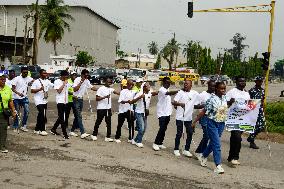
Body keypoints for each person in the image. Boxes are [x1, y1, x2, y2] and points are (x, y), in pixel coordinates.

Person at [196, 82, 228, 174]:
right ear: (216, 89)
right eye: (221, 89)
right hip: (212, 123)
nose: (223, 90)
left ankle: (203, 156)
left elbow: (225, 107)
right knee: (217, 144)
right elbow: (204, 111)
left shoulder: (224, 97)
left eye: (224, 88)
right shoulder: (211, 99)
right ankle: (218, 165)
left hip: (221, 123)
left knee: (213, 142)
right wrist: (195, 121)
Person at [172, 80, 202, 157]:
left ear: (191, 85)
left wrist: (204, 106)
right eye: (184, 83)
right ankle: (176, 149)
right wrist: (179, 104)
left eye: (187, 84)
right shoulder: (180, 92)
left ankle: (186, 150)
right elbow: (174, 102)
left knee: (190, 133)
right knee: (179, 133)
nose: (185, 85)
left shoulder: (194, 93)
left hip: (188, 118)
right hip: (180, 117)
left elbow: (199, 102)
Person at [226, 76, 250, 167]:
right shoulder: (232, 92)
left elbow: (249, 106)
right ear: (236, 82)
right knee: (237, 137)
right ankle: (234, 158)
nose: (242, 83)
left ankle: (231, 157)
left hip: (243, 119)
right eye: (240, 81)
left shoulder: (246, 94)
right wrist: (230, 102)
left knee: (236, 138)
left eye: (244, 81)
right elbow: (225, 102)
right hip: (233, 118)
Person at [69, 69, 97, 139]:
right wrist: (81, 82)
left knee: (77, 116)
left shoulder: (87, 80)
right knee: (79, 116)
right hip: (75, 99)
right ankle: (82, 132)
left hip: (81, 99)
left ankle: (72, 131)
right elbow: (75, 89)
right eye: (85, 75)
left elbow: (92, 87)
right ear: (82, 74)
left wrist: (101, 89)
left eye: (87, 75)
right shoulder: (77, 79)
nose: (86, 76)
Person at [152, 77, 178, 151]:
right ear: (163, 83)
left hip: (167, 112)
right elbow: (168, 93)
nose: (168, 84)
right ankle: (155, 143)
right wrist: (178, 91)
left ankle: (160, 143)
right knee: (162, 128)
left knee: (164, 128)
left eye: (169, 83)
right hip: (162, 113)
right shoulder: (162, 89)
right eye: (167, 82)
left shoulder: (167, 89)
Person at [193, 80, 216, 158]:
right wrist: (204, 105)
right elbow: (195, 106)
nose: (213, 88)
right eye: (212, 86)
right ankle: (199, 152)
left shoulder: (215, 95)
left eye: (214, 86)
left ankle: (200, 151)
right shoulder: (202, 95)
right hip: (204, 117)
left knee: (208, 136)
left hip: (212, 118)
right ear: (208, 86)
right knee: (206, 136)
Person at [130, 82, 156, 147]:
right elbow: (132, 101)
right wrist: (139, 97)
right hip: (138, 112)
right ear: (144, 87)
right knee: (141, 128)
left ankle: (135, 140)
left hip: (145, 113)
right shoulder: (139, 93)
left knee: (144, 128)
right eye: (148, 86)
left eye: (149, 85)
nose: (149, 87)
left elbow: (155, 93)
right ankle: (139, 141)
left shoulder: (149, 93)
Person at [31, 69, 53, 136]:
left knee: (41, 114)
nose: (45, 74)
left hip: (44, 100)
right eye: (44, 73)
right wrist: (39, 89)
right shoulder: (36, 82)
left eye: (46, 73)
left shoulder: (47, 81)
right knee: (42, 114)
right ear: (40, 74)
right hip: (38, 100)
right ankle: (42, 130)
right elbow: (32, 90)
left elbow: (53, 85)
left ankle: (36, 129)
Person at [11, 66, 34, 132]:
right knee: (17, 112)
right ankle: (15, 126)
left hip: (24, 98)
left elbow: (34, 81)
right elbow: (12, 88)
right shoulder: (17, 78)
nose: (25, 74)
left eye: (27, 72)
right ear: (21, 72)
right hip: (16, 98)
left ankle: (23, 125)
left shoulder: (28, 78)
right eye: (24, 72)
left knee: (27, 111)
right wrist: (18, 93)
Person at [50, 70, 70, 139]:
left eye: (67, 77)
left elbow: (70, 89)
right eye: (66, 76)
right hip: (60, 101)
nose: (67, 78)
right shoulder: (57, 81)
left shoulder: (67, 81)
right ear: (62, 76)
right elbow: (59, 91)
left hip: (65, 101)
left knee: (61, 117)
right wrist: (64, 84)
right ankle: (65, 134)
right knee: (62, 118)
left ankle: (53, 129)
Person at [247, 76, 265, 149]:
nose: (259, 82)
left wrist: (263, 108)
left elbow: (263, 100)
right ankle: (252, 142)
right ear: (255, 81)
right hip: (253, 110)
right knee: (253, 126)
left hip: (260, 110)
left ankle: (250, 137)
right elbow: (248, 101)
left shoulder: (263, 90)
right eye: (258, 81)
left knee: (261, 127)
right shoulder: (252, 90)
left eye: (261, 81)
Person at [0, 73, 16, 153]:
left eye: (4, 79)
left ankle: (2, 146)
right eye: (1, 79)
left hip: (3, 113)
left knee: (3, 130)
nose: (3, 81)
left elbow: (10, 101)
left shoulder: (8, 89)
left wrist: (13, 110)